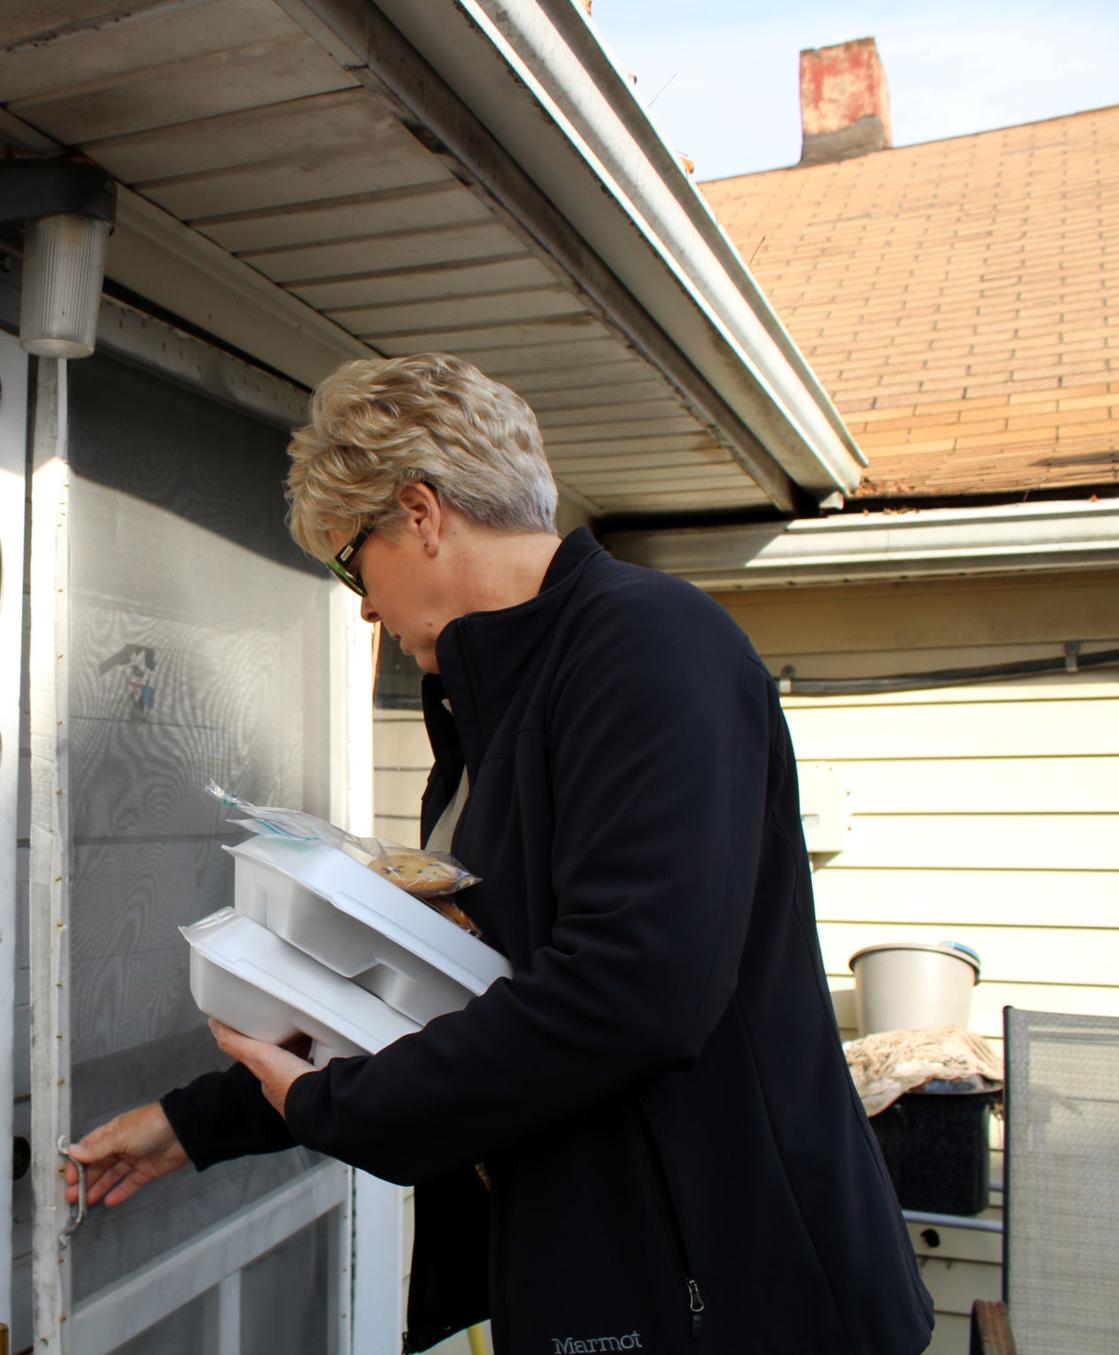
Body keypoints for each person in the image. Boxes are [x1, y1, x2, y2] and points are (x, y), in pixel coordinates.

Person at [68, 354, 934, 1355]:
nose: (362, 605)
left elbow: (635, 988)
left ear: (421, 514)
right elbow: (438, 997)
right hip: (601, 1275)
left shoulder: (651, 648)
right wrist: (194, 1123)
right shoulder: (490, 715)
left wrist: (343, 1107)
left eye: (352, 562)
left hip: (734, 1295)